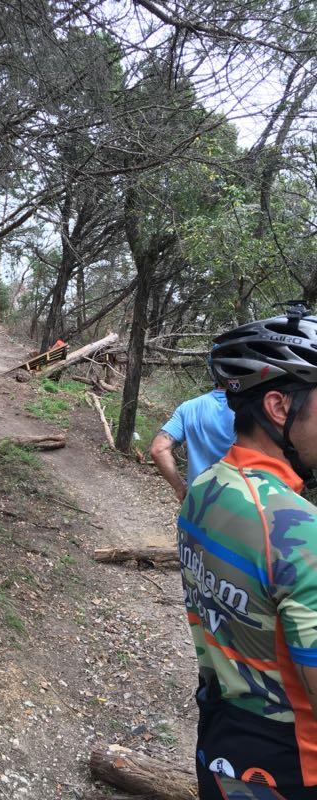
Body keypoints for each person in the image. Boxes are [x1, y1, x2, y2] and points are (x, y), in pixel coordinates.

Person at [179, 302, 317, 799]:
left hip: (221, 739)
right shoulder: (297, 529)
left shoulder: (206, 488)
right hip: (292, 769)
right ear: (280, 407)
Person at [150, 361, 235, 502]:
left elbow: (158, 449)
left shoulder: (188, 408)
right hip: (241, 507)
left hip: (197, 504)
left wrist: (180, 488)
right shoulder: (258, 411)